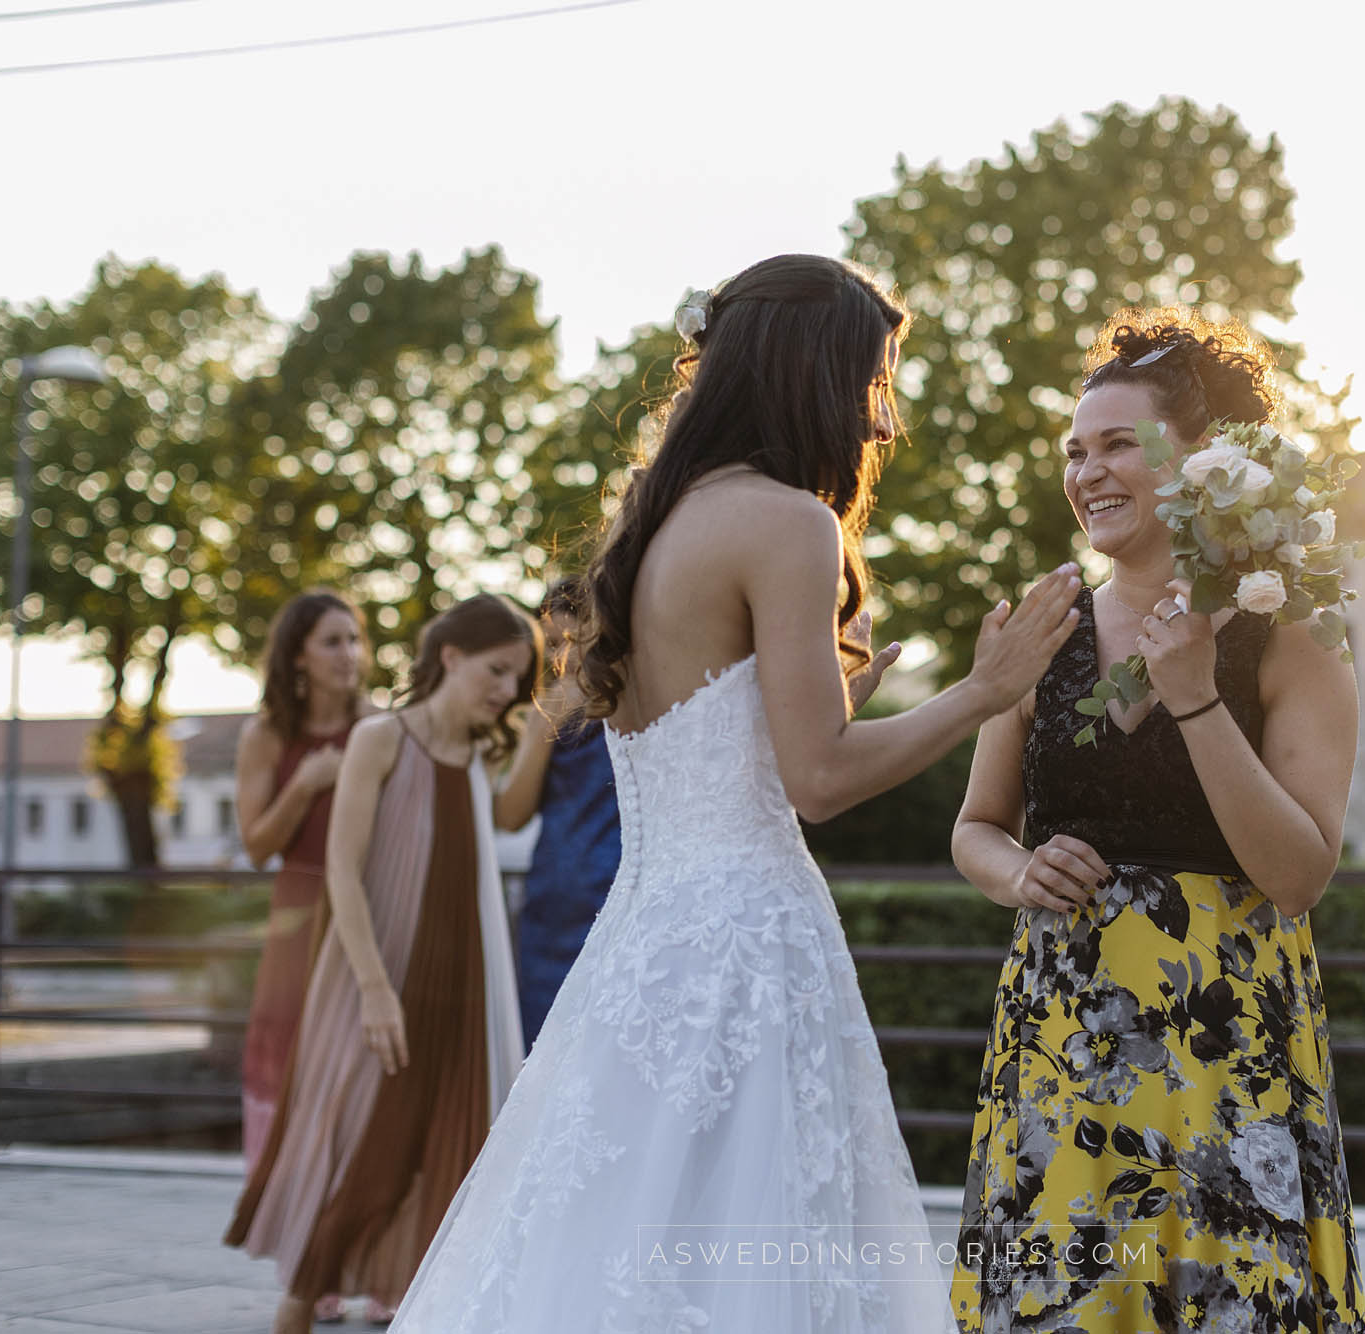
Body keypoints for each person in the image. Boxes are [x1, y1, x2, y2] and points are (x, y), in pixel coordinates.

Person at [388, 254, 1080, 1333]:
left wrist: (821, 697)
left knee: (611, 1237)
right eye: (873, 378)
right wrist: (986, 690)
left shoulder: (647, 529)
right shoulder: (787, 523)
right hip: (747, 948)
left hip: (638, 949)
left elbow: (713, 735)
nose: (882, 419)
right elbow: (820, 780)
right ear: (809, 371)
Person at [947, 310, 1365, 1332]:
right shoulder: (1038, 627)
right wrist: (1015, 874)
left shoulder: (1290, 634)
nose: (1086, 471)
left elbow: (1298, 874)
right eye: (1073, 451)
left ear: (1199, 460)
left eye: (1116, 444)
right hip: (1064, 1033)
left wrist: (1194, 697)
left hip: (1226, 1043)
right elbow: (976, 825)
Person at [227, 594, 534, 1334]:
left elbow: (494, 844)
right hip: (378, 981)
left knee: (450, 1163)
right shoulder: (380, 738)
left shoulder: (476, 757)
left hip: (458, 989)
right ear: (451, 657)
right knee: (361, 1157)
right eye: (497, 671)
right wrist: (373, 991)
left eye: (516, 682)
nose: (504, 692)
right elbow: (343, 871)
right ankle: (299, 1309)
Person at [231, 591, 374, 1324]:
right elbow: (257, 844)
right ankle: (308, 1267)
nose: (349, 653)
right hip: (297, 923)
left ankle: (381, 1265)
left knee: (367, 1089)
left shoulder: (381, 729)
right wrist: (308, 785)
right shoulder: (265, 737)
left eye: (355, 639)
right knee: (296, 1091)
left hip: (369, 920)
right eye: (331, 641)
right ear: (296, 655)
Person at [493, 575, 621, 1050]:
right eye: (550, 645)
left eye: (570, 641)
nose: (559, 658)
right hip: (554, 905)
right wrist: (543, 729)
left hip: (620, 897)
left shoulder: (640, 704)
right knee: (545, 1051)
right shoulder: (547, 710)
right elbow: (510, 816)